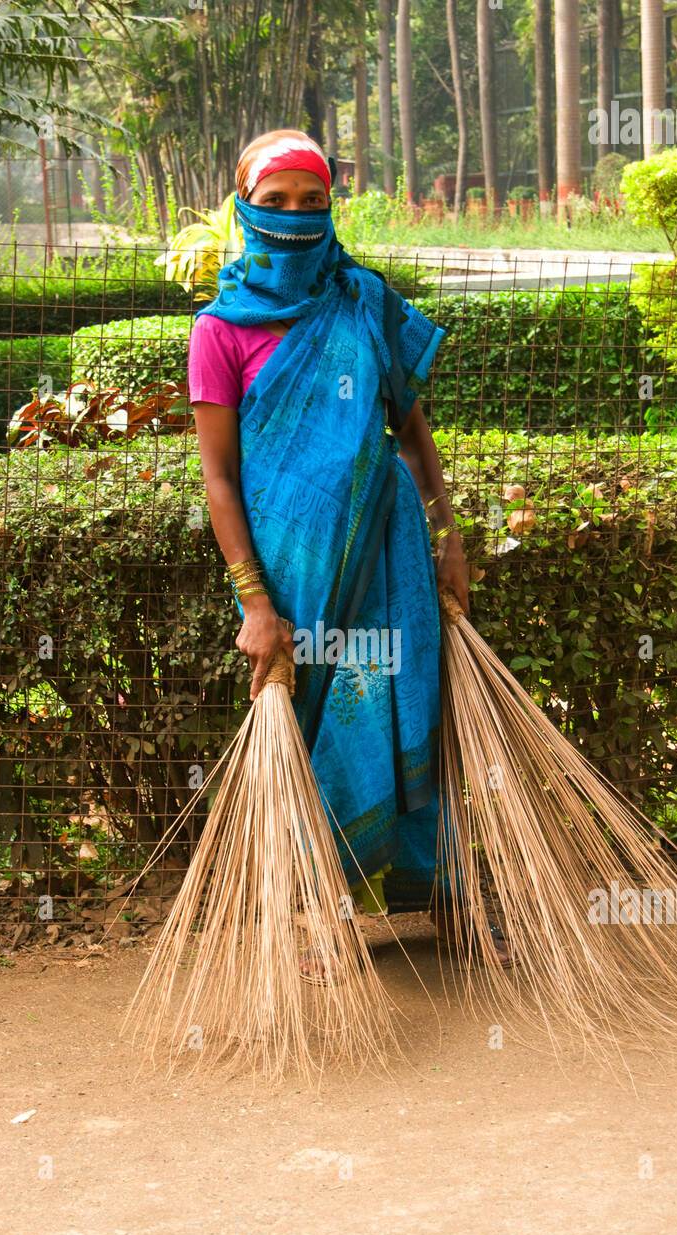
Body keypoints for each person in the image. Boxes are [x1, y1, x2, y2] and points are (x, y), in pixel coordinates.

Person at [188, 129, 509, 979]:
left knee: (410, 708)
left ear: (332, 208)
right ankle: (318, 914)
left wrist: (449, 543)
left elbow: (411, 438)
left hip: (392, 558)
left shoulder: (365, 302)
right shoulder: (219, 331)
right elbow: (219, 479)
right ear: (244, 208)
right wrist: (255, 603)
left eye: (314, 201)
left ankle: (442, 899)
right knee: (310, 724)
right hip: (291, 574)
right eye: (276, 201)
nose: (295, 217)